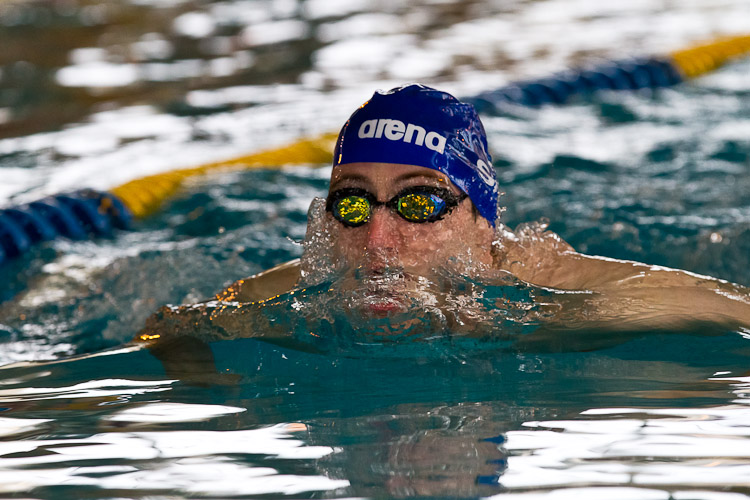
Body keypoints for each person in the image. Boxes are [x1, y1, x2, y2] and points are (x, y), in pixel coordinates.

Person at [137, 84, 750, 364]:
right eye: (353, 205)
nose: (377, 241)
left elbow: (735, 308)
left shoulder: (561, 297)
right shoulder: (304, 291)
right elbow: (169, 329)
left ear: (483, 221)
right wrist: (213, 388)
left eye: (419, 204)